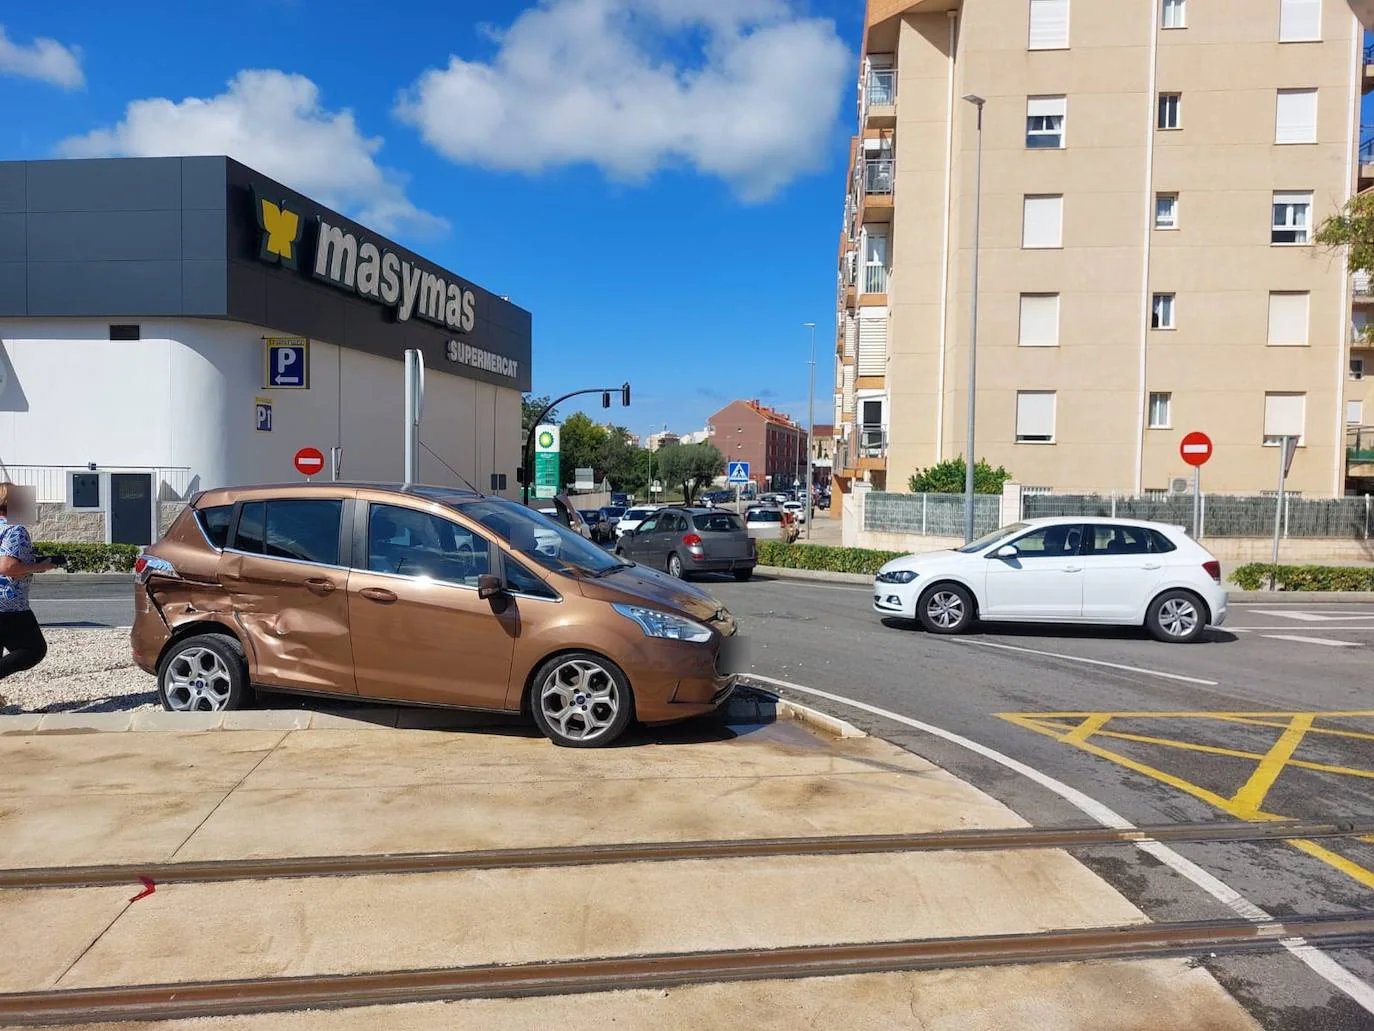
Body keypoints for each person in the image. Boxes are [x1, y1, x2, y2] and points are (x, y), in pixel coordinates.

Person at [0, 483, 60, 679]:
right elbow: (8, 567)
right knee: (33, 649)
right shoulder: (15, 529)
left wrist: (34, 563)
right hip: (8, 603)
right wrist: (41, 566)